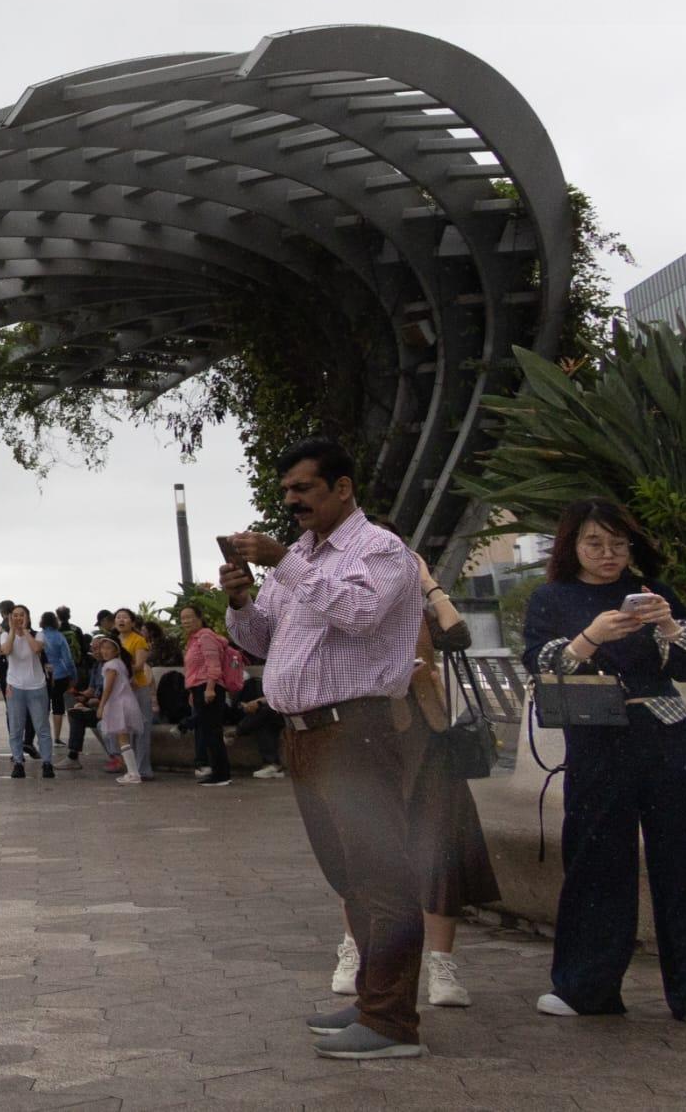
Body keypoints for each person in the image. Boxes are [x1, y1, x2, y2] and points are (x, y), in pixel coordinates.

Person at [224, 436, 429, 1061]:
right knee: (349, 878)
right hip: (306, 736)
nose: (292, 500)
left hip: (355, 731)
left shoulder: (379, 549)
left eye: (303, 488)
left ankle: (392, 1022)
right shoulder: (305, 558)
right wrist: (240, 599)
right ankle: (373, 1002)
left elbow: (361, 614)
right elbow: (264, 640)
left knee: (381, 875)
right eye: (286, 490)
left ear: (342, 488)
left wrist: (283, 561)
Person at [522, 498, 686, 1023]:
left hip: (665, 734)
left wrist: (669, 627)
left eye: (618, 543)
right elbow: (542, 664)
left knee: (681, 860)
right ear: (571, 545)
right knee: (596, 860)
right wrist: (591, 636)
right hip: (596, 739)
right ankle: (587, 988)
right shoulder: (551, 597)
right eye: (594, 543)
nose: (607, 554)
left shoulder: (654, 593)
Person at [325, 524, 498, 1008]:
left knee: (440, 847)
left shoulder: (418, 608)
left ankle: (441, 965)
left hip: (428, 737)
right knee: (360, 847)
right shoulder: (339, 605)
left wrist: (428, 582)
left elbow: (458, 636)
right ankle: (354, 950)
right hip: (365, 740)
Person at [177, 602, 239, 787]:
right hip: (200, 688)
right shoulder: (194, 639)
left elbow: (214, 665)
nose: (186, 621)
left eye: (190, 617)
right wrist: (193, 691)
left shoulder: (205, 636)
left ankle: (221, 775)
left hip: (208, 688)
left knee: (212, 732)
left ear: (199, 618)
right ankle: (219, 772)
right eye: (183, 618)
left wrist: (210, 688)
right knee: (208, 732)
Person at [0, 605, 54, 779]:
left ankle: (47, 763)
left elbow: (36, 649)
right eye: (15, 615)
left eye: (21, 615)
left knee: (42, 727)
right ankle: (18, 762)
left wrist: (25, 631)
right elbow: (6, 650)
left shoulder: (38, 634)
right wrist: (13, 631)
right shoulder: (5, 635)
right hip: (15, 687)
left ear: (28, 617)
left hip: (37, 686)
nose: (18, 618)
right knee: (16, 729)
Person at [92, 634, 144, 786]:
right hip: (125, 703)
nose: (104, 651)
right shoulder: (120, 663)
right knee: (124, 739)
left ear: (116, 651)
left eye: (108, 648)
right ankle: (132, 772)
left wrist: (101, 706)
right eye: (102, 648)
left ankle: (133, 773)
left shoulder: (111, 665)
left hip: (119, 705)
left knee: (123, 740)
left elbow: (108, 688)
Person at [112, 609, 155, 779]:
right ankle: (132, 769)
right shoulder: (114, 641)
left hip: (138, 689)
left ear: (132, 622)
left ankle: (143, 769)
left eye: (125, 617)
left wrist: (118, 667)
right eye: (118, 617)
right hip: (121, 690)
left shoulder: (138, 640)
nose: (121, 620)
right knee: (126, 730)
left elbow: (138, 666)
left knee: (142, 729)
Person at [233, 676, 285, 779]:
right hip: (276, 711)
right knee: (263, 722)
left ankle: (237, 732)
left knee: (266, 713)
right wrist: (255, 703)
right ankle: (273, 765)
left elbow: (283, 697)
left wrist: (258, 702)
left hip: (291, 711)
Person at [39, 611, 76, 754]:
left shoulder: (39, 636)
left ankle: (42, 737)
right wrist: (73, 675)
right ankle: (57, 738)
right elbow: (68, 659)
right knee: (58, 706)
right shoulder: (59, 636)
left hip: (42, 675)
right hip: (60, 674)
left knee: (43, 707)